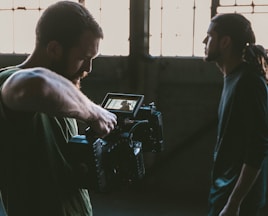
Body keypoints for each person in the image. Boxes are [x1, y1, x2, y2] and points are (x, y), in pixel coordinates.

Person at [0, 1, 117, 216]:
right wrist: (94, 113)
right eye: (83, 58)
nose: (88, 68)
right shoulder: (8, 81)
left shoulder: (64, 90)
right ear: (54, 49)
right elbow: (37, 85)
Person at [203, 13, 268, 216]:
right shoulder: (234, 77)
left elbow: (258, 147)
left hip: (237, 198)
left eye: (209, 36)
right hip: (224, 188)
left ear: (225, 42)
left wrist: (234, 202)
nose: (204, 41)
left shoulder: (249, 82)